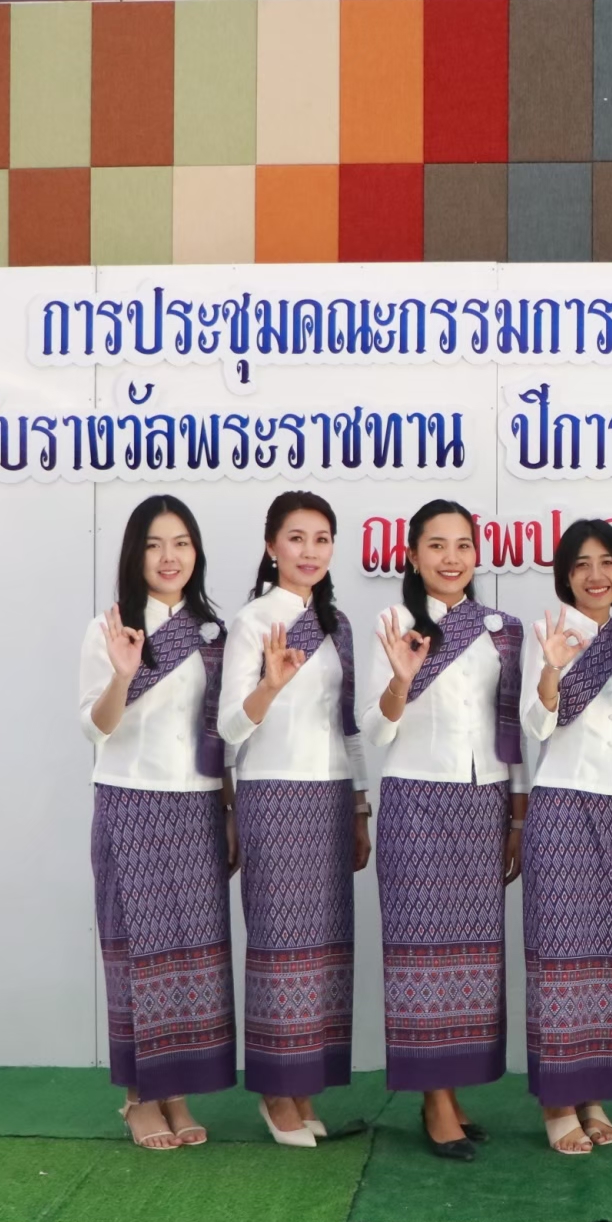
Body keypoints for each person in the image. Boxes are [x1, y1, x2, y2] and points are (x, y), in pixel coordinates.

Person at [362, 500, 527, 1162]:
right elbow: (375, 731)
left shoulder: (502, 631)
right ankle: (433, 1100)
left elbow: (513, 731)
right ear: (412, 555)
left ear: (477, 554)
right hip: (417, 799)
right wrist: (401, 682)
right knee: (421, 951)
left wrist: (517, 815)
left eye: (462, 545)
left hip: (485, 801)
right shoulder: (394, 624)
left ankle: (452, 1091)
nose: (451, 558)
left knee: (473, 955)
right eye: (436, 545)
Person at [80, 495, 235, 1150]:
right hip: (131, 802)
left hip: (197, 805)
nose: (169, 557)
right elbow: (96, 727)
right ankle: (138, 1097)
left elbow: (222, 733)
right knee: (138, 953)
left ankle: (177, 1092)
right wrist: (123, 674)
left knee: (193, 957)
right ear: (134, 554)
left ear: (196, 552)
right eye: (153, 544)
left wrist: (228, 808)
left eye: (181, 543)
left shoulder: (211, 633)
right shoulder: (111, 628)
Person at [219, 490, 371, 1149]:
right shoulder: (253, 622)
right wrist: (270, 685)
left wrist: (360, 806)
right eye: (296, 537)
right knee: (281, 946)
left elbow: (349, 725)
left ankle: (305, 1084)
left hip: (332, 795)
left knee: (325, 949)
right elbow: (229, 727)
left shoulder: (338, 625)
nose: (310, 551)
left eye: (322, 538)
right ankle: (275, 1091)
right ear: (271, 546)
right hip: (274, 794)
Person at [519, 520, 612, 1154]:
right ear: (566, 575)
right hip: (560, 806)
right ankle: (558, 1102)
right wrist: (552, 670)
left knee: (608, 959)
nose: (596, 574)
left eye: (607, 562)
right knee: (559, 958)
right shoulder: (547, 635)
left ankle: (593, 1092)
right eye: (581, 563)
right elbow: (536, 723)